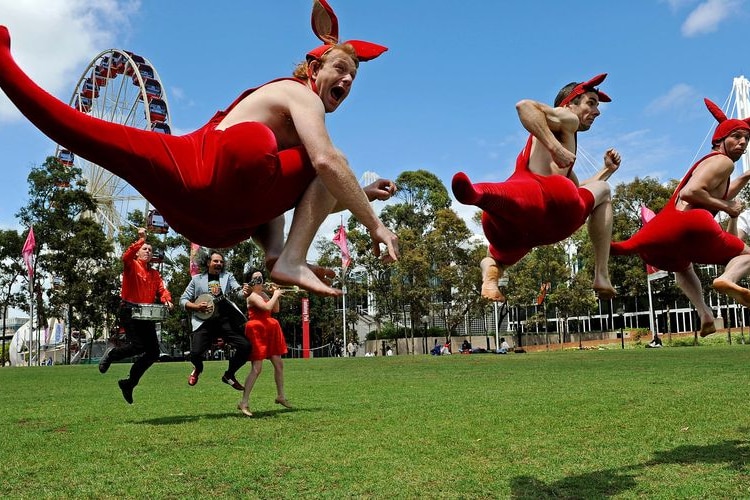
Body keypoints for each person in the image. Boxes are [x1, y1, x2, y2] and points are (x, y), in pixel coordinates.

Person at [0, 0, 398, 298]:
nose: (348, 79)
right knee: (317, 158)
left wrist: (360, 197)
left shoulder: (298, 143)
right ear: (314, 70)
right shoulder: (300, 95)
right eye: (341, 69)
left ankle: (278, 255)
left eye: (354, 75)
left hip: (211, 221)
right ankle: (288, 258)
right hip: (204, 170)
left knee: (301, 165)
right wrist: (376, 225)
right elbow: (328, 163)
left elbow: (309, 195)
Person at [452, 74, 620, 301]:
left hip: (517, 223)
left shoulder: (557, 154)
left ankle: (477, 197)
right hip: (551, 215)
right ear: (569, 103)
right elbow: (524, 106)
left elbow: (581, 187)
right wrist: (556, 148)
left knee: (494, 257)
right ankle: (601, 274)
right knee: (602, 191)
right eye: (591, 102)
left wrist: (606, 170)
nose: (597, 111)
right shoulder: (566, 117)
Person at [611, 98, 750, 336]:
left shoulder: (714, 166)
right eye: (736, 136)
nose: (743, 143)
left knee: (682, 268)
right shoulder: (723, 162)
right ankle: (727, 279)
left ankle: (704, 313)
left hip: (662, 233)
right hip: (692, 223)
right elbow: (691, 191)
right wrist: (727, 207)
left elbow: (719, 191)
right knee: (746, 254)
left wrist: (746, 176)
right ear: (719, 140)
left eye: (746, 138)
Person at [99, 228, 173, 404]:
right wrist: (140, 239)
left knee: (153, 352)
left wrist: (167, 300)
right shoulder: (131, 265)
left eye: (150, 250)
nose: (148, 251)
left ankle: (129, 383)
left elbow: (162, 290)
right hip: (129, 310)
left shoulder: (154, 274)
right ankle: (112, 354)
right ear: (138, 252)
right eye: (144, 249)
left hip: (146, 314)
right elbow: (125, 256)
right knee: (138, 346)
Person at [180, 251, 251, 390]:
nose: (219, 264)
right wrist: (195, 306)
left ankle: (229, 375)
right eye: (215, 261)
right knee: (195, 354)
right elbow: (182, 300)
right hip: (204, 321)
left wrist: (246, 292)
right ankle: (198, 369)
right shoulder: (197, 279)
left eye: (221, 262)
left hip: (225, 320)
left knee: (246, 346)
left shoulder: (228, 276)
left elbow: (239, 293)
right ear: (208, 263)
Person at [237, 269, 292, 417]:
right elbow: (266, 307)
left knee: (279, 364)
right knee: (257, 368)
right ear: (250, 281)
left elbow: (275, 309)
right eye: (256, 278)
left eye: (261, 277)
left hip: (269, 329)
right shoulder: (252, 296)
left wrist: (275, 295)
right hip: (257, 330)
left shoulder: (263, 294)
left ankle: (281, 395)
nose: (260, 280)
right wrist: (275, 294)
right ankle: (244, 401)